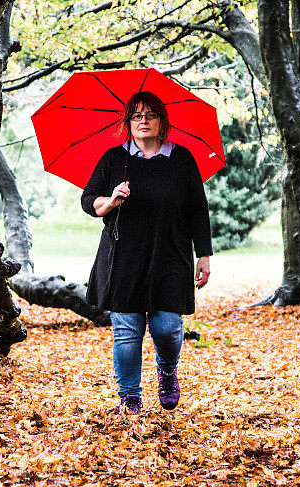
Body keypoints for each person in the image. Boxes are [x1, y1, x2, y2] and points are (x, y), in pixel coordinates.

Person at [81, 91, 212, 415]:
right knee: (127, 331)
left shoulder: (181, 159)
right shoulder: (115, 159)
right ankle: (130, 396)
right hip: (124, 257)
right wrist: (110, 201)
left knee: (167, 328)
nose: (143, 120)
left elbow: (198, 209)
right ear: (128, 121)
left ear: (161, 121)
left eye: (150, 114)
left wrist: (204, 255)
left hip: (171, 256)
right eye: (136, 115)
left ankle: (167, 371)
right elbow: (89, 201)